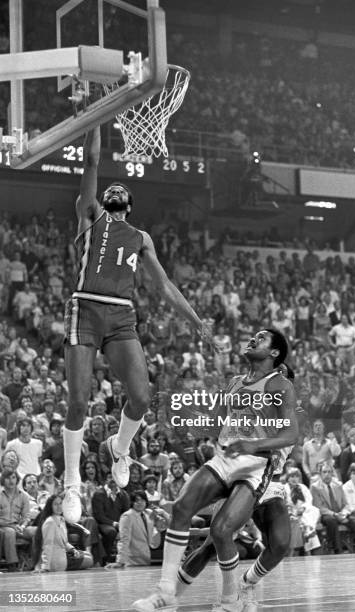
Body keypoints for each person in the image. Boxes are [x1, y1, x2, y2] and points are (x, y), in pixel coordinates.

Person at [62, 127, 214, 523]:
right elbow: (92, 160)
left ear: (129, 205)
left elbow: (163, 286)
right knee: (78, 402)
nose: (113, 189)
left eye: (120, 189)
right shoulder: (91, 215)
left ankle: (121, 447)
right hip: (86, 307)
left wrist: (197, 323)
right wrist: (97, 118)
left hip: (121, 315)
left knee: (143, 398)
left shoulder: (140, 236)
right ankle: (72, 479)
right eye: (108, 188)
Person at [133, 328, 298, 612]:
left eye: (261, 338)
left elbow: (289, 435)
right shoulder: (235, 383)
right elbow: (214, 421)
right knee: (191, 514)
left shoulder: (280, 389)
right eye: (253, 335)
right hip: (226, 458)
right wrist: (182, 416)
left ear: (274, 355)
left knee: (257, 539)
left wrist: (252, 444)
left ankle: (240, 590)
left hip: (261, 471)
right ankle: (167, 592)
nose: (252, 338)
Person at [106, 490, 170, 568]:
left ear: (146, 501)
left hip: (146, 558)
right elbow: (124, 539)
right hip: (132, 561)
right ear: (132, 503)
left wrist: (163, 513)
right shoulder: (127, 516)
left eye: (142, 500)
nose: (140, 502)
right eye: (136, 500)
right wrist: (120, 561)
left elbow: (167, 525)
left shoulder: (149, 513)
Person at [32, 494, 93, 572]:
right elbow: (47, 545)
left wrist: (73, 550)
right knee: (90, 560)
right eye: (55, 504)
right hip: (56, 561)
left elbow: (64, 542)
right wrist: (45, 567)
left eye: (60, 503)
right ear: (50, 506)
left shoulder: (61, 520)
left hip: (63, 554)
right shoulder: (50, 522)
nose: (59, 506)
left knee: (88, 555)